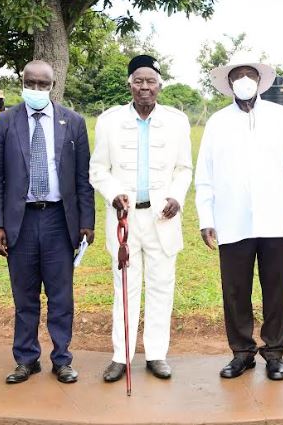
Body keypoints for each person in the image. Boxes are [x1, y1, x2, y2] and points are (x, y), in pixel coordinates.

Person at [195, 55, 283, 381]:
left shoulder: (282, 116)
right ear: (229, 83)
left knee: (278, 289)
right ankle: (242, 352)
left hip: (278, 220)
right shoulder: (217, 122)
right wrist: (206, 217)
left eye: (250, 74)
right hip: (232, 220)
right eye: (237, 75)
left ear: (259, 81)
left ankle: (274, 353)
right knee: (235, 290)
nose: (244, 80)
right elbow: (205, 174)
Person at [0, 60, 95, 385]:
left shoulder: (72, 122)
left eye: (41, 84)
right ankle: (26, 359)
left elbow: (82, 178)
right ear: (22, 82)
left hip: (59, 221)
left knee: (61, 296)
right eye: (30, 83)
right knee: (25, 295)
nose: (35, 89)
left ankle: (62, 359)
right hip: (20, 220)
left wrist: (86, 222)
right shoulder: (5, 122)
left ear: (53, 84)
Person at [90, 54, 192, 381]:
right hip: (125, 220)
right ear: (129, 84)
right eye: (138, 81)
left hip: (162, 218)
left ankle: (157, 354)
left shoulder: (177, 120)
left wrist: (176, 197)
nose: (144, 87)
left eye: (150, 81)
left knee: (162, 286)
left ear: (159, 85)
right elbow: (98, 170)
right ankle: (121, 356)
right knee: (125, 287)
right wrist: (113, 193)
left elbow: (184, 169)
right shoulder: (108, 120)